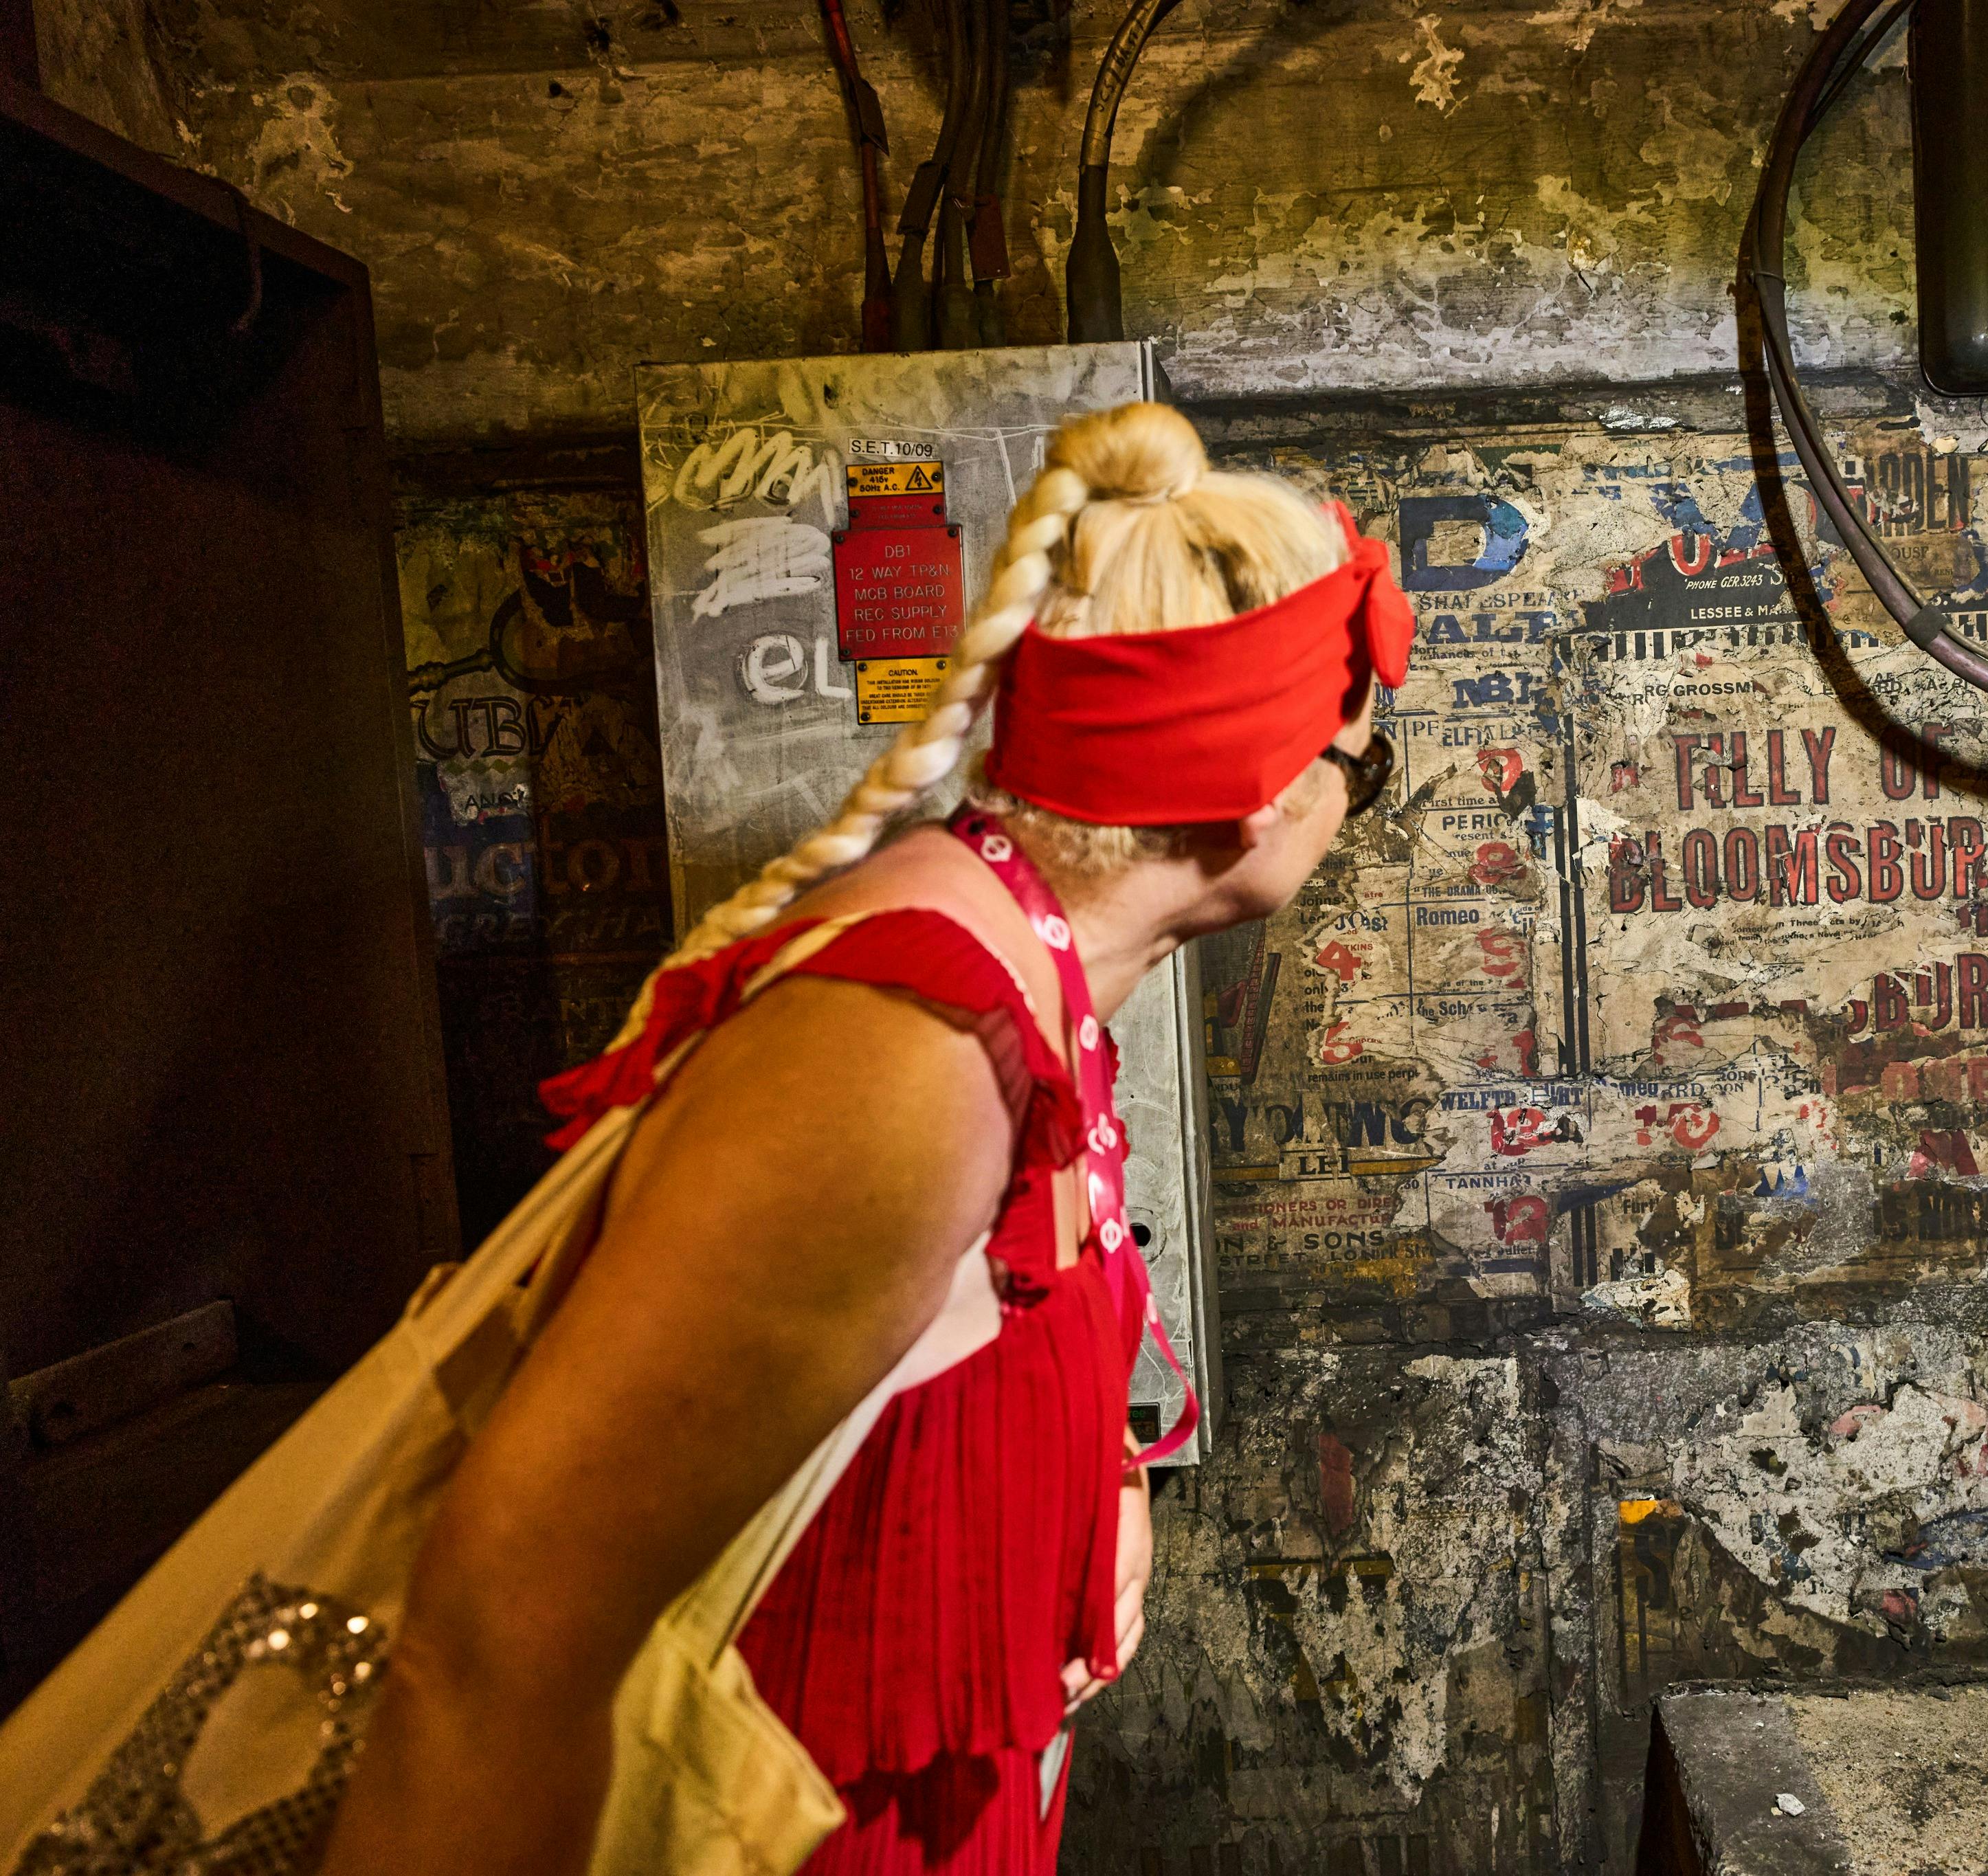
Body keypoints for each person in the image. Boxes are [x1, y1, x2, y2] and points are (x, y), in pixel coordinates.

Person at [313, 401, 1410, 1876]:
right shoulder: (908, 1052)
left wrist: (1096, 1502)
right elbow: (496, 1644)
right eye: (1366, 761)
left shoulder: (1024, 976)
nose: (1358, 799)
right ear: (1259, 793)